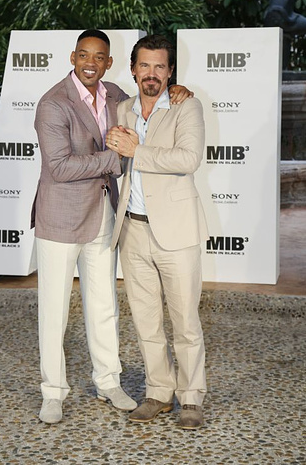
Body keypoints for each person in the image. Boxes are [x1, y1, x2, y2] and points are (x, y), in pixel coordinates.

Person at [31, 29, 192, 424]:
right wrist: (112, 159)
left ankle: (108, 381)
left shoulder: (117, 96)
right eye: (83, 55)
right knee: (54, 310)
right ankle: (53, 392)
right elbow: (60, 167)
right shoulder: (53, 103)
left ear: (108, 63)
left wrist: (177, 89)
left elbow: (149, 100)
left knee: (103, 306)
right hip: (60, 219)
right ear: (73, 58)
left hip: (104, 213)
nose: (90, 63)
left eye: (98, 57)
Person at [106, 34, 208, 429]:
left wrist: (138, 152)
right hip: (132, 231)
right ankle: (158, 392)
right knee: (146, 322)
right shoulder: (121, 108)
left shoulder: (187, 106)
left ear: (170, 72)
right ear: (133, 69)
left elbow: (188, 158)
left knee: (185, 321)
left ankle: (192, 398)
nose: (151, 74)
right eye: (144, 66)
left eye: (159, 67)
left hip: (178, 234)